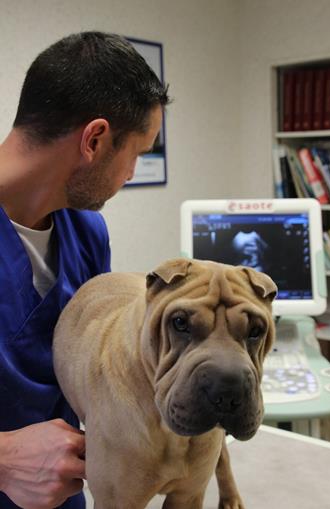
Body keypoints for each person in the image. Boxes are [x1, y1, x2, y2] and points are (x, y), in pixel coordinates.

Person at [0, 31, 169, 509]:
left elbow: (100, 367)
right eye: (136, 154)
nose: (132, 174)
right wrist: (5, 457)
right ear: (95, 139)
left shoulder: (87, 234)